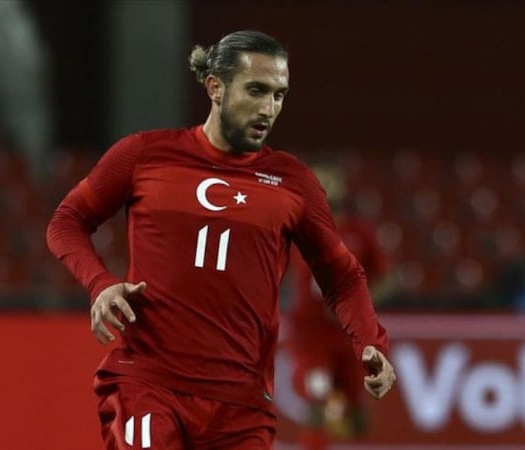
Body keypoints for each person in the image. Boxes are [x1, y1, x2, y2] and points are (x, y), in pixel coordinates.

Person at [46, 30, 395, 450]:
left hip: (241, 405)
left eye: (279, 95)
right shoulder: (144, 155)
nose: (268, 108)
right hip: (150, 385)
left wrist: (370, 342)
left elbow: (342, 277)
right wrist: (100, 283)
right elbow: (66, 221)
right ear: (215, 87)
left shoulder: (293, 183)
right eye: (256, 90)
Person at [285, 162, 398, 449]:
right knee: (318, 397)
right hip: (312, 334)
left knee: (358, 418)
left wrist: (356, 303)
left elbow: (389, 279)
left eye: (329, 182)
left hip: (349, 336)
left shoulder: (359, 233)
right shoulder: (296, 227)